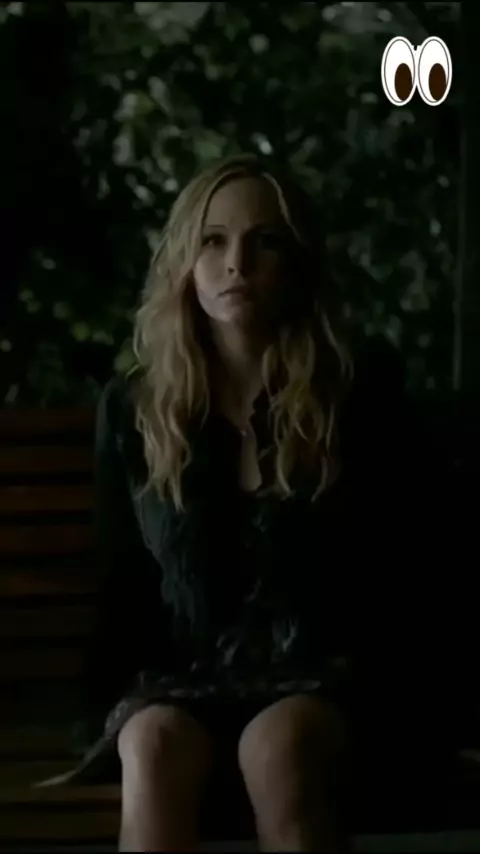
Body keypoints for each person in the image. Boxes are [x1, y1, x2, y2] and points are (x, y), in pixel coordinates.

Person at [34, 153, 453, 851]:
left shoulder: (357, 391)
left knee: (278, 745)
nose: (237, 263)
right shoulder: (137, 408)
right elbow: (123, 582)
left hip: (326, 680)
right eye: (213, 240)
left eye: (266, 242)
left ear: (298, 261)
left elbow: (406, 568)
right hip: (184, 683)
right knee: (154, 743)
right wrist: (104, 712)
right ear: (184, 260)